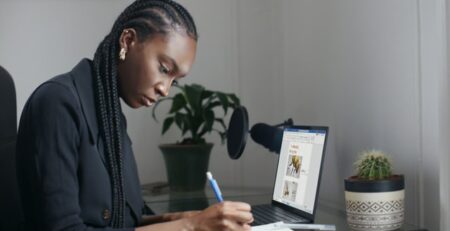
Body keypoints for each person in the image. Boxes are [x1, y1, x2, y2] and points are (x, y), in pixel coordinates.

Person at [15, 0, 253, 230]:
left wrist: (187, 218)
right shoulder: (58, 103)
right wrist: (190, 226)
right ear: (127, 41)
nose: (165, 89)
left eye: (174, 80)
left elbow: (126, 221)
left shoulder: (110, 115)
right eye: (164, 69)